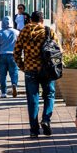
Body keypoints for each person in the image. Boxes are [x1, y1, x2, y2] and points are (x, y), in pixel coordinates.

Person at [15, 10, 55, 138]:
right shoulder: (48, 31)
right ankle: (46, 119)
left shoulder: (24, 32)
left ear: (30, 20)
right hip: (47, 70)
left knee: (32, 99)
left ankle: (34, 129)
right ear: (42, 20)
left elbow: (16, 53)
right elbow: (58, 50)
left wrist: (23, 66)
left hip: (30, 70)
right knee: (49, 94)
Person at [0, 16, 20, 98]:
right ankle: (14, 84)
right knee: (14, 72)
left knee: (2, 75)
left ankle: (3, 93)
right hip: (13, 55)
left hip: (2, 55)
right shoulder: (16, 32)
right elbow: (20, 44)